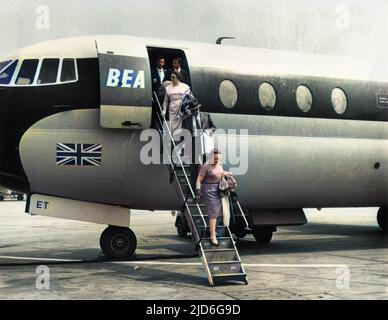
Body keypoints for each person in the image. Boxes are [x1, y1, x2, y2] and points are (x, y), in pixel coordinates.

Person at [195, 149, 233, 246]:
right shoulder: (206, 166)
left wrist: (225, 173)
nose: (217, 161)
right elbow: (199, 179)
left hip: (218, 190)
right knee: (213, 213)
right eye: (215, 159)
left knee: (219, 212)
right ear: (211, 157)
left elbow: (218, 172)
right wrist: (198, 191)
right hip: (208, 190)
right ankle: (213, 236)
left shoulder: (219, 164)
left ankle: (210, 229)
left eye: (218, 159)